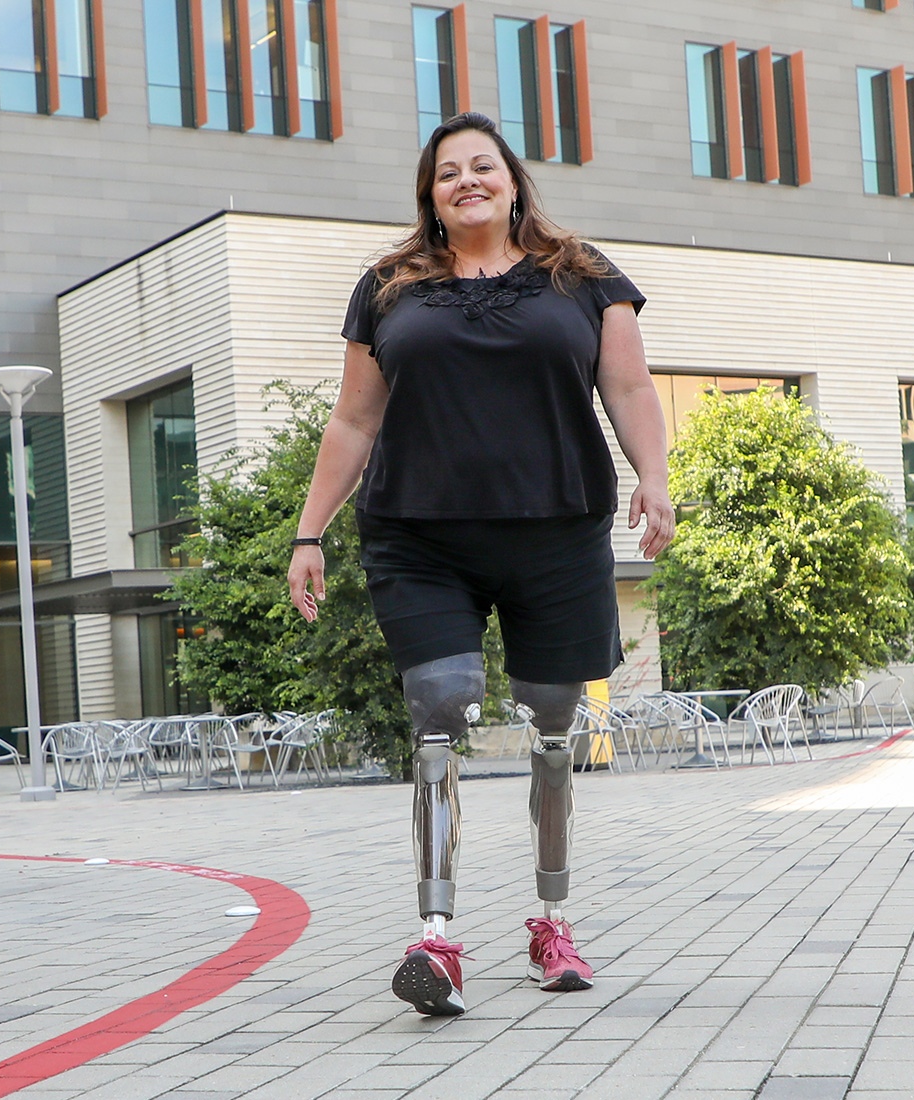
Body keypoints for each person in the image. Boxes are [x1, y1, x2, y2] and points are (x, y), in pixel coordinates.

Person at [287, 112, 673, 1017]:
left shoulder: (583, 276)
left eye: (482, 166)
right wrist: (310, 533)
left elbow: (629, 386)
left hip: (557, 532)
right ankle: (437, 939)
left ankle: (551, 922)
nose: (466, 180)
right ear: (429, 192)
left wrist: (655, 479)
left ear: (512, 181)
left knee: (551, 727)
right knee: (440, 709)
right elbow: (353, 422)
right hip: (421, 537)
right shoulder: (389, 286)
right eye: (447, 171)